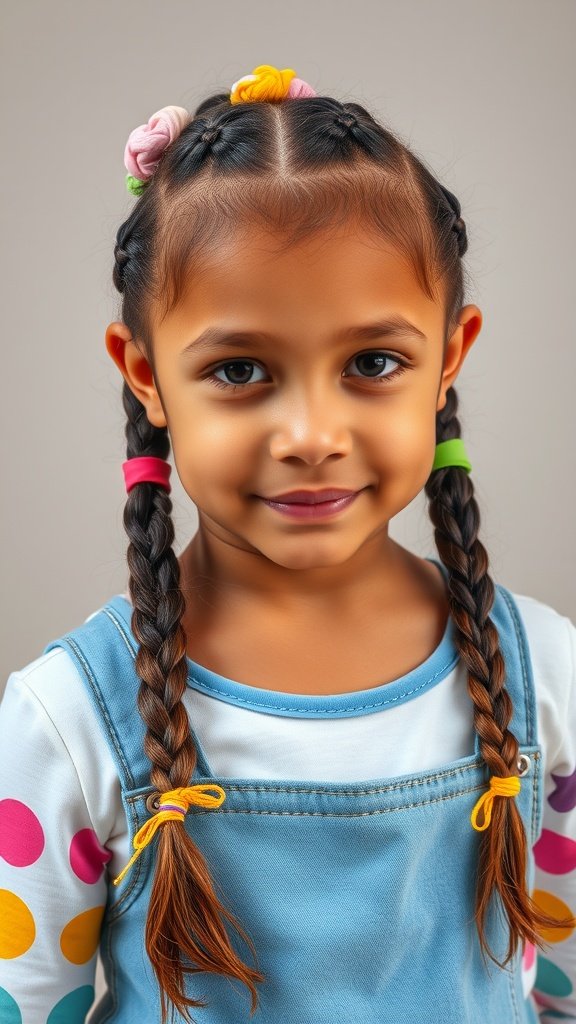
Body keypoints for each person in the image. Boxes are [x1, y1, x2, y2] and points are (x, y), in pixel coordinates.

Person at [0, 63, 574, 1024]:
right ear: (144, 373)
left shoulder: (549, 679)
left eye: (373, 363)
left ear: (450, 356)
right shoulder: (66, 723)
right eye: (239, 370)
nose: (311, 433)